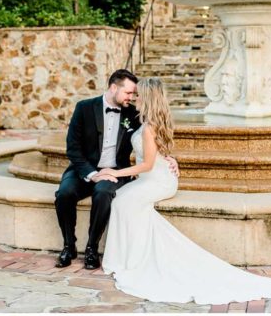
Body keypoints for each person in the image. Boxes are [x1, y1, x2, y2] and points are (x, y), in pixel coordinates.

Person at [100, 77, 271, 303]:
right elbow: (155, 154)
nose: (135, 98)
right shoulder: (148, 122)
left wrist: (115, 172)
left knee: (124, 202)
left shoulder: (149, 127)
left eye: (138, 94)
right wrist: (168, 158)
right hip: (153, 176)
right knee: (122, 200)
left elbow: (146, 164)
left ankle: (134, 260)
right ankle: (125, 258)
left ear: (147, 97)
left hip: (158, 180)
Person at [54, 69, 178, 269]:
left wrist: (168, 158)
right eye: (128, 93)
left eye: (134, 94)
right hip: (84, 169)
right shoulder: (84, 108)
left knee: (104, 194)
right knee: (64, 194)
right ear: (114, 87)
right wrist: (92, 174)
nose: (132, 97)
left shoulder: (133, 112)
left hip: (115, 170)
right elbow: (73, 149)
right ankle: (69, 246)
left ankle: (92, 248)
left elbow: (155, 135)